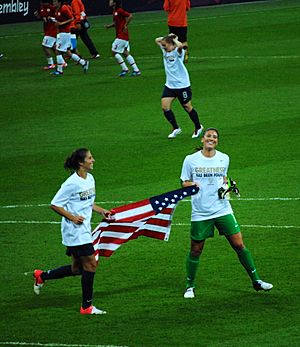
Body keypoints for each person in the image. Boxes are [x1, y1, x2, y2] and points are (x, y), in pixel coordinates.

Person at [180, 128, 273, 298]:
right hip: (201, 212)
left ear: (217, 141)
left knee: (239, 245)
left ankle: (257, 281)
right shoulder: (190, 160)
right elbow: (184, 182)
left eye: (214, 137)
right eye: (209, 136)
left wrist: (229, 184)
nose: (211, 139)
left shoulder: (224, 158)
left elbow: (224, 178)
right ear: (202, 139)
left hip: (222, 209)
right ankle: (189, 286)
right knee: (196, 250)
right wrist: (192, 185)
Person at [33, 148, 114, 314]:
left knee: (77, 269)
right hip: (75, 231)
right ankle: (86, 306)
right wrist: (72, 217)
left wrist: (101, 211)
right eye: (90, 158)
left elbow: (87, 202)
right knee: (91, 264)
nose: (93, 160)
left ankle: (42, 276)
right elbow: (55, 204)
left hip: (84, 228)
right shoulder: (71, 183)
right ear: (80, 162)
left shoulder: (90, 178)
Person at [155, 33, 203, 139]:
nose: (163, 47)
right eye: (163, 45)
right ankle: (176, 128)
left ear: (172, 45)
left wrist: (175, 39)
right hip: (170, 85)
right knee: (165, 107)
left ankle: (198, 127)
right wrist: (167, 36)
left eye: (165, 45)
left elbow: (180, 46)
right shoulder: (164, 51)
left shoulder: (178, 52)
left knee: (187, 107)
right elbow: (157, 40)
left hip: (182, 85)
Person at [51, 0, 89, 76]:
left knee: (58, 50)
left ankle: (59, 70)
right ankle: (83, 62)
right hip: (63, 33)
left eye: (55, 1)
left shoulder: (64, 8)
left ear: (59, 2)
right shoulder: (57, 9)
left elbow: (71, 18)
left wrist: (61, 23)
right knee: (68, 52)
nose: (53, 3)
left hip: (65, 33)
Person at [105, 0, 140, 77]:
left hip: (122, 35)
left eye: (111, 0)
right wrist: (109, 26)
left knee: (114, 51)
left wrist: (125, 25)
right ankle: (136, 70)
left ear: (114, 2)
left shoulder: (119, 10)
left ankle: (125, 69)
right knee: (125, 53)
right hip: (122, 35)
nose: (109, 1)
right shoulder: (115, 11)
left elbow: (130, 16)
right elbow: (116, 23)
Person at [34, 0, 58, 70]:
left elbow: (58, 17)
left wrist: (52, 18)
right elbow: (41, 17)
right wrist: (37, 15)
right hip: (47, 30)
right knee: (53, 46)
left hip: (52, 30)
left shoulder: (52, 8)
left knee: (45, 47)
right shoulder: (41, 8)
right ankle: (62, 62)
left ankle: (51, 64)